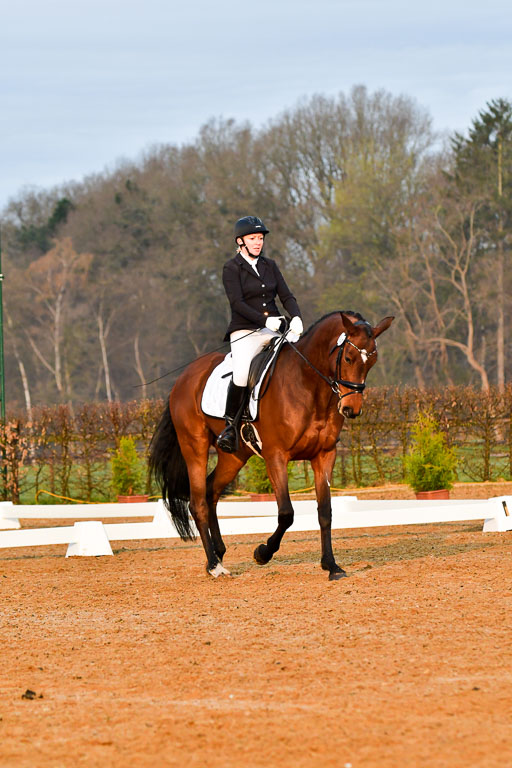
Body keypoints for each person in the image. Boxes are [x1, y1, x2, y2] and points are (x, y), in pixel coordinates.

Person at [217, 215, 303, 453]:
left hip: (276, 328)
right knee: (243, 374)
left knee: (299, 359)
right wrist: (266, 320)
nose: (258, 242)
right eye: (253, 238)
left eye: (260, 238)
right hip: (245, 331)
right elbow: (237, 303)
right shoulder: (231, 268)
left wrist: (295, 316)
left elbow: (286, 295)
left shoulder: (270, 266)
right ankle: (230, 428)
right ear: (240, 241)